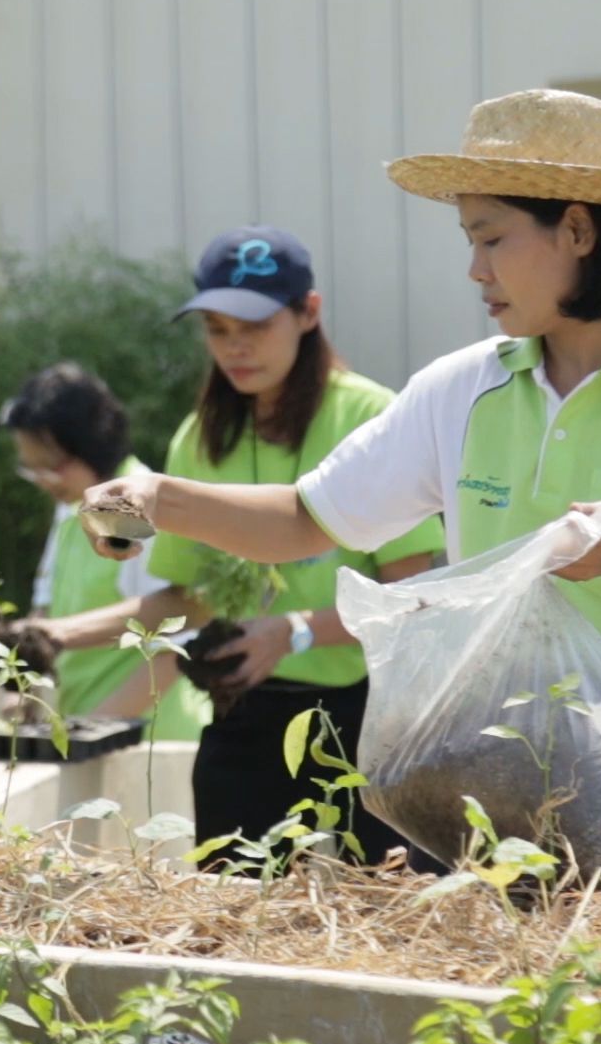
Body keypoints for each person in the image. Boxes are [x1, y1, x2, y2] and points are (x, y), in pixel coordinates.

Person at [81, 90, 601, 896]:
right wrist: (157, 497)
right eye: (469, 240)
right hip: (475, 779)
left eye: (491, 238)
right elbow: (301, 520)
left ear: (579, 230)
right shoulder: (461, 390)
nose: (475, 270)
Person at [30, 226, 445, 869]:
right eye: (217, 329)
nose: (235, 347)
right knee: (233, 911)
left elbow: (411, 600)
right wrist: (58, 634)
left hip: (365, 718)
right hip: (242, 711)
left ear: (309, 313)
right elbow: (185, 602)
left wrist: (295, 632)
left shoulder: (372, 417)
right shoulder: (201, 436)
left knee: (384, 906)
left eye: (254, 325)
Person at [0, 362, 203, 739]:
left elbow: (176, 641)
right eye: (32, 470)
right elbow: (45, 611)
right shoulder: (70, 509)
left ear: (90, 445)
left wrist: (93, 727)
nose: (43, 482)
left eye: (51, 467)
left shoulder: (132, 505)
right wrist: (25, 689)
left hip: (148, 739)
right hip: (94, 733)